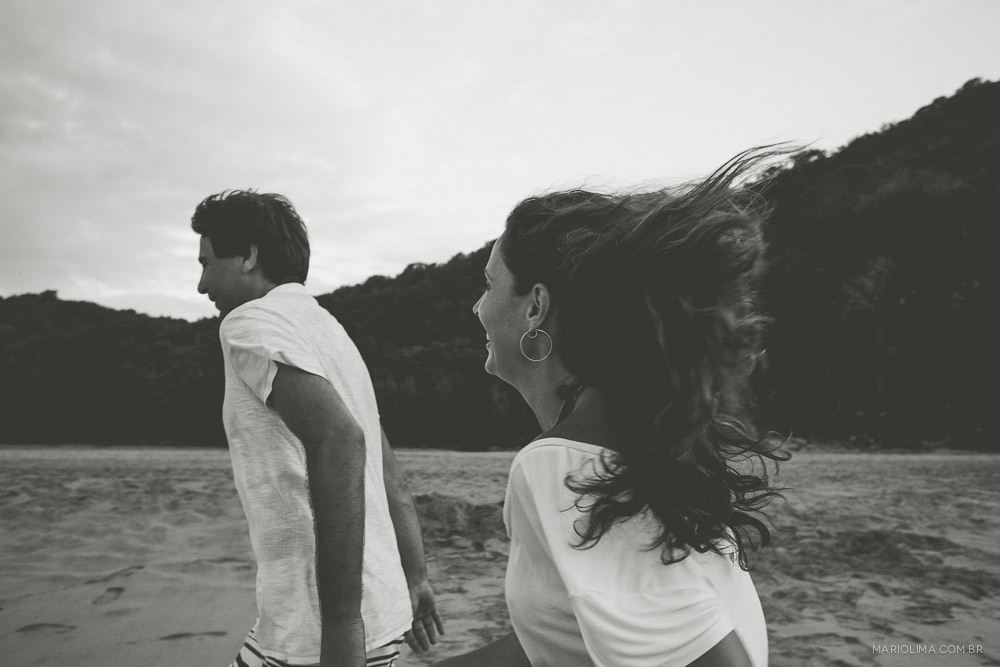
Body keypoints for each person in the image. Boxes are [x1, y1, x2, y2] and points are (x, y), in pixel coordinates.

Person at [433, 148, 788, 667]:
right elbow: (559, 640)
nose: (477, 307)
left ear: (535, 306)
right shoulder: (630, 438)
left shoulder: (564, 462)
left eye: (489, 285)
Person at [192, 190, 443, 667]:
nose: (202, 285)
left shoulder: (249, 322)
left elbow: (343, 441)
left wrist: (342, 629)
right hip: (378, 613)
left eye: (206, 263)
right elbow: (393, 478)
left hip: (318, 633)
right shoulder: (332, 332)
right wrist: (415, 578)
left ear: (248, 255)